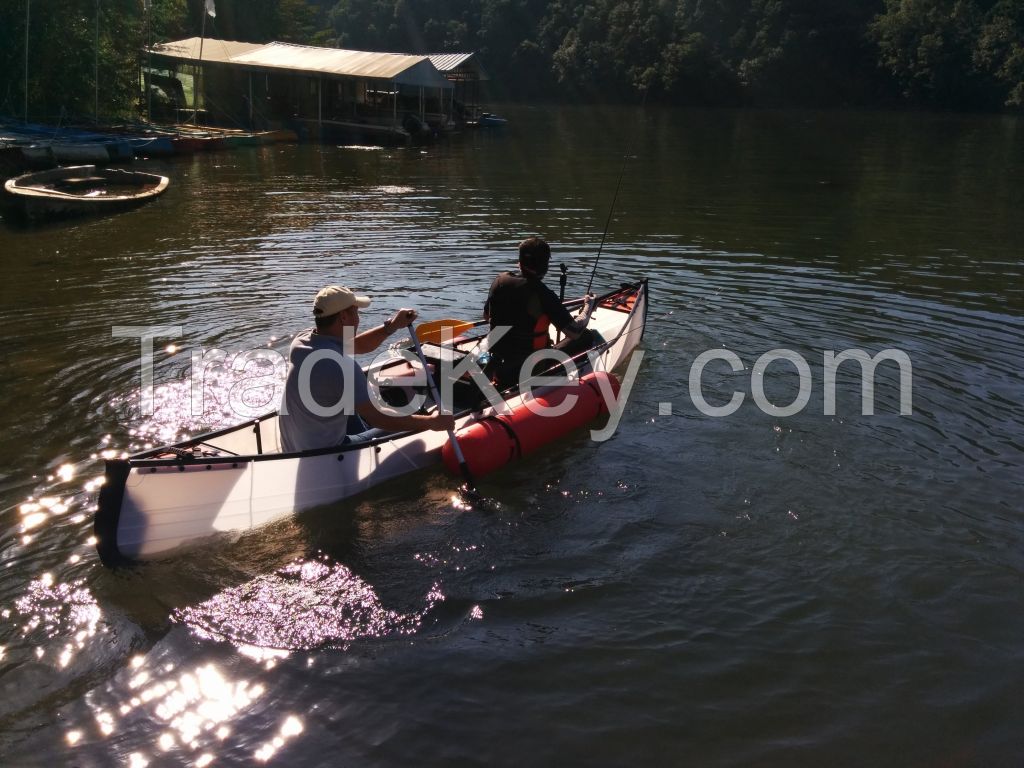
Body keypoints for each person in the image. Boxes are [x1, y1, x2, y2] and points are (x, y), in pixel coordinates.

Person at [279, 285, 455, 453]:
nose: (358, 319)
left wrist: (391, 326)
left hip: (293, 445)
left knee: (352, 404)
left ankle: (364, 429)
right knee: (410, 434)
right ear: (343, 317)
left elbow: (358, 345)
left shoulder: (302, 341)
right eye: (356, 312)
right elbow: (379, 419)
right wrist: (431, 422)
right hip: (326, 453)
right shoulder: (342, 366)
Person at [482, 236, 597, 389]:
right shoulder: (543, 294)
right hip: (531, 370)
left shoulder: (500, 281)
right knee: (586, 335)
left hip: (499, 367)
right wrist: (588, 306)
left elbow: (486, 316)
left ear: (520, 261)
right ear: (545, 265)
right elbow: (574, 332)